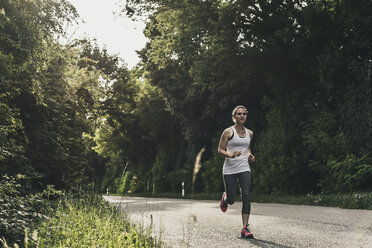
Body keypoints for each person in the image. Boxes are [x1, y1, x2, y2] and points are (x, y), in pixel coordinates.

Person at [218, 105, 255, 239]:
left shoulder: (249, 133)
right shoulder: (228, 132)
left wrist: (250, 155)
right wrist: (231, 155)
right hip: (230, 169)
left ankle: (245, 228)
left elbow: (247, 148)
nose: (242, 116)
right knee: (232, 200)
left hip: (244, 167)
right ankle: (225, 198)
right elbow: (220, 150)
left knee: (246, 195)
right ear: (234, 117)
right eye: (239, 114)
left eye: (244, 114)